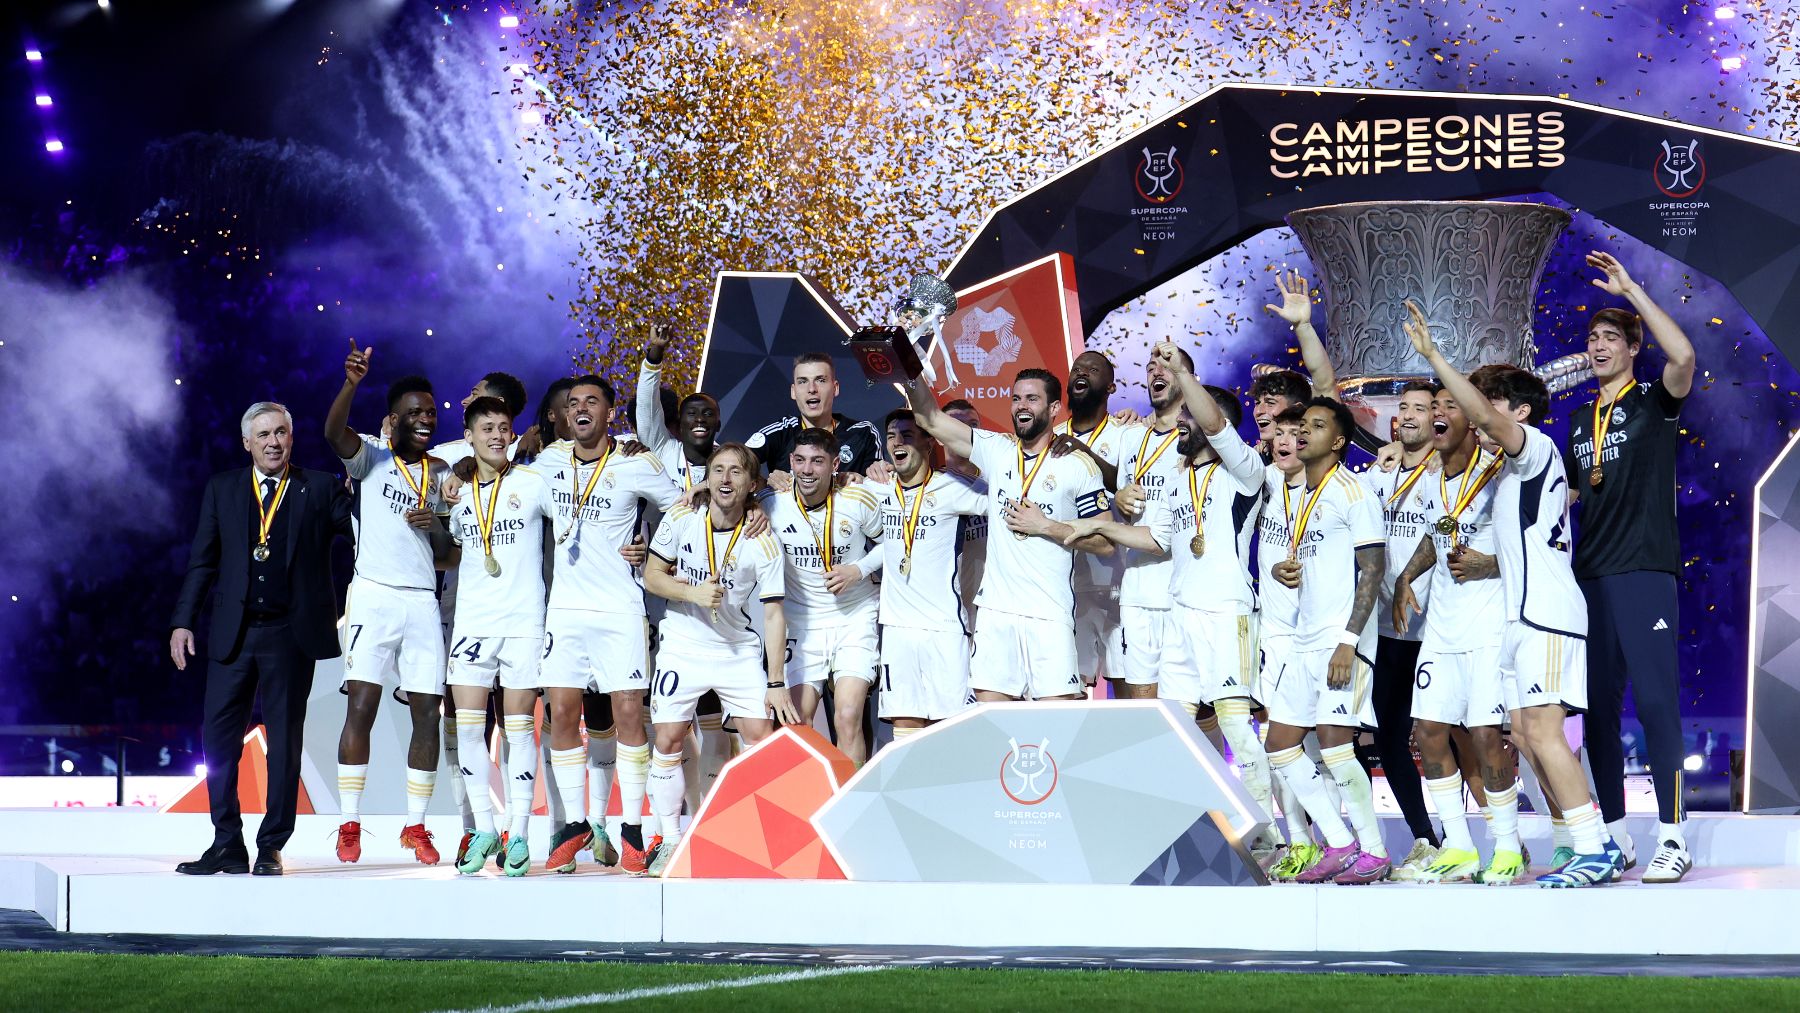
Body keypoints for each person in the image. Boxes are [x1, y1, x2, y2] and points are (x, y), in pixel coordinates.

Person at [1404, 300, 1621, 887]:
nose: (1476, 416)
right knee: (1525, 735)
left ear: (1519, 412)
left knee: (1543, 735)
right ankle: (1581, 842)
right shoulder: (1502, 472)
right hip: (1521, 620)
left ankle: (1596, 846)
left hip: (1546, 613)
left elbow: (1482, 417)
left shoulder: (1535, 449)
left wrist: (1433, 358)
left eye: (1489, 403)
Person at [1063, 345, 1276, 852]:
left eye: (1190, 418)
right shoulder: (1180, 479)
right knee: (1174, 728)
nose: (1180, 425)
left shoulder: (1246, 472)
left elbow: (1219, 428)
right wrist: (1084, 525)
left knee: (1234, 727)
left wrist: (1181, 371)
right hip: (1181, 614)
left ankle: (1265, 836)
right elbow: (1156, 539)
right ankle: (1186, 829)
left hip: (1228, 614)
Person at [169, 402, 353, 877]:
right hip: (234, 633)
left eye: (282, 433)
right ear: (247, 442)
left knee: (286, 742)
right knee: (219, 741)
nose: (274, 441)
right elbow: (203, 562)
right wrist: (182, 621)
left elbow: (361, 532)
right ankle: (226, 843)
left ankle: (271, 845)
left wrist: (366, 478)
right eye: (265, 434)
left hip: (291, 636)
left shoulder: (321, 487)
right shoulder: (223, 488)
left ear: (292, 437)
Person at [1562, 251, 1698, 883]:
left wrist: (1630, 291)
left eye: (1610, 338)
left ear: (1633, 346)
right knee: (1597, 713)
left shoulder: (1653, 400)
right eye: (1592, 339)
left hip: (1644, 569)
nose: (1598, 347)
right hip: (1589, 574)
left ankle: (1673, 836)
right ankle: (1615, 838)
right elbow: (1568, 493)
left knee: (1656, 703)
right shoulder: (1575, 420)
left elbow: (1686, 359)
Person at [533, 374, 683, 874]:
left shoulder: (635, 464)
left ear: (609, 412)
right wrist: (459, 469)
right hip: (566, 611)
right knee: (562, 712)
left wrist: (655, 553)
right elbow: (492, 465)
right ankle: (576, 824)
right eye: (573, 402)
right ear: (562, 414)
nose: (581, 409)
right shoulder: (549, 461)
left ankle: (634, 828)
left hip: (621, 607)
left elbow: (683, 507)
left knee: (628, 714)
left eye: (591, 402)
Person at [903, 368, 1114, 702]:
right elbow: (929, 419)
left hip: (1050, 615)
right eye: (1016, 398)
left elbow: (1106, 541)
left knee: (1057, 731)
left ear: (1055, 408)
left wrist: (1047, 526)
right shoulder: (995, 449)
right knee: (994, 728)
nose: (1021, 406)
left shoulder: (1077, 466)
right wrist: (908, 373)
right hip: (996, 614)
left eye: (1032, 398)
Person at [323, 343, 456, 865]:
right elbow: (333, 434)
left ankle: (416, 827)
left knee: (428, 711)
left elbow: (448, 557)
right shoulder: (370, 458)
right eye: (415, 413)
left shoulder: (443, 473)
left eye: (430, 412)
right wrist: (351, 383)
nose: (425, 420)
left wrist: (437, 524)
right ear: (390, 421)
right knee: (362, 706)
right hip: (374, 596)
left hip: (423, 601)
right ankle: (349, 822)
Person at [643, 443, 798, 875]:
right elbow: (652, 575)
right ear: (706, 478)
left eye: (735, 472)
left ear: (752, 485)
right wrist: (691, 592)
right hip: (683, 643)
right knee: (669, 737)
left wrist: (776, 680)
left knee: (760, 737)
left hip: (736, 648)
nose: (726, 479)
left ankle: (757, 835)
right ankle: (670, 841)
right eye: (718, 470)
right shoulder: (681, 517)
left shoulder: (763, 542)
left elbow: (772, 614)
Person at [1393, 382, 1520, 884]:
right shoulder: (1430, 481)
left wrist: (1492, 563)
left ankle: (1507, 847)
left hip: (1488, 627)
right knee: (1426, 733)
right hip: (1441, 631)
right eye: (1435, 407)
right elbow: (1434, 531)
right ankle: (1460, 846)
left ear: (1471, 418)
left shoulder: (1501, 474)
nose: (1439, 413)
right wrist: (1407, 575)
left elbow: (1533, 537)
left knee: (1486, 735)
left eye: (1450, 405)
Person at [1259, 398, 1389, 884]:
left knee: (1336, 746)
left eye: (1316, 427)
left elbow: (1373, 570)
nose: (1303, 434)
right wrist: (1280, 569)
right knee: (1280, 743)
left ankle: (1374, 851)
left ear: (1337, 442)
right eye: (1301, 426)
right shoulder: (1299, 494)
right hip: (1303, 638)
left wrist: (1348, 641)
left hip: (1343, 641)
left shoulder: (1352, 492)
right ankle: (1338, 841)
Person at [1357, 379, 1442, 880]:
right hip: (1385, 631)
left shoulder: (1443, 476)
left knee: (1447, 737)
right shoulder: (1377, 476)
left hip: (1433, 628)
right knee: (1385, 740)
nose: (1408, 415)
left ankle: (1501, 837)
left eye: (1420, 408)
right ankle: (1423, 841)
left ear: (1436, 418)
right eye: (1403, 408)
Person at [762, 428, 885, 763]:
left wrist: (857, 570)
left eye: (817, 461)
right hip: (802, 624)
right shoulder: (771, 505)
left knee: (847, 716)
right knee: (794, 724)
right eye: (800, 460)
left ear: (835, 464)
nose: (806, 470)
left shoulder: (857, 498)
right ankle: (805, 808)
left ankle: (852, 809)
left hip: (854, 617)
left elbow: (893, 542)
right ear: (790, 462)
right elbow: (726, 494)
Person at [873, 410, 988, 736]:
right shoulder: (878, 488)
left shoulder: (953, 487)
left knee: (951, 728)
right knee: (905, 723)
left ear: (928, 442)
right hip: (897, 629)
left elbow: (1005, 498)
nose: (898, 442)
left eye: (907, 435)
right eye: (892, 436)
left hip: (944, 628)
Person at [1106, 347, 1194, 701]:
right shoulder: (1131, 436)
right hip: (1137, 590)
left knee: (1192, 707)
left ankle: (1211, 760)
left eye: (1168, 366)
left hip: (1181, 592)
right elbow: (1120, 499)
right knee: (1144, 703)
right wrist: (1118, 499)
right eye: (1150, 367)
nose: (1156, 371)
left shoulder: (1197, 438)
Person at [1051, 351, 1128, 691]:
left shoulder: (1129, 435)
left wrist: (1082, 450)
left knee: (1130, 693)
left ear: (1110, 386)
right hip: (1068, 588)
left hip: (1120, 587)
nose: (1081, 373)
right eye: (1077, 369)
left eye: (1093, 369)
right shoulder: (1049, 436)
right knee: (1067, 695)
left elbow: (1126, 484)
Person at [749, 352, 885, 487]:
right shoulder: (780, 432)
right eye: (803, 381)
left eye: (820, 380)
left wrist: (863, 482)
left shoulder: (862, 433)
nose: (812, 389)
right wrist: (764, 487)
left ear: (835, 388)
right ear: (793, 391)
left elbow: (881, 485)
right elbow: (734, 462)